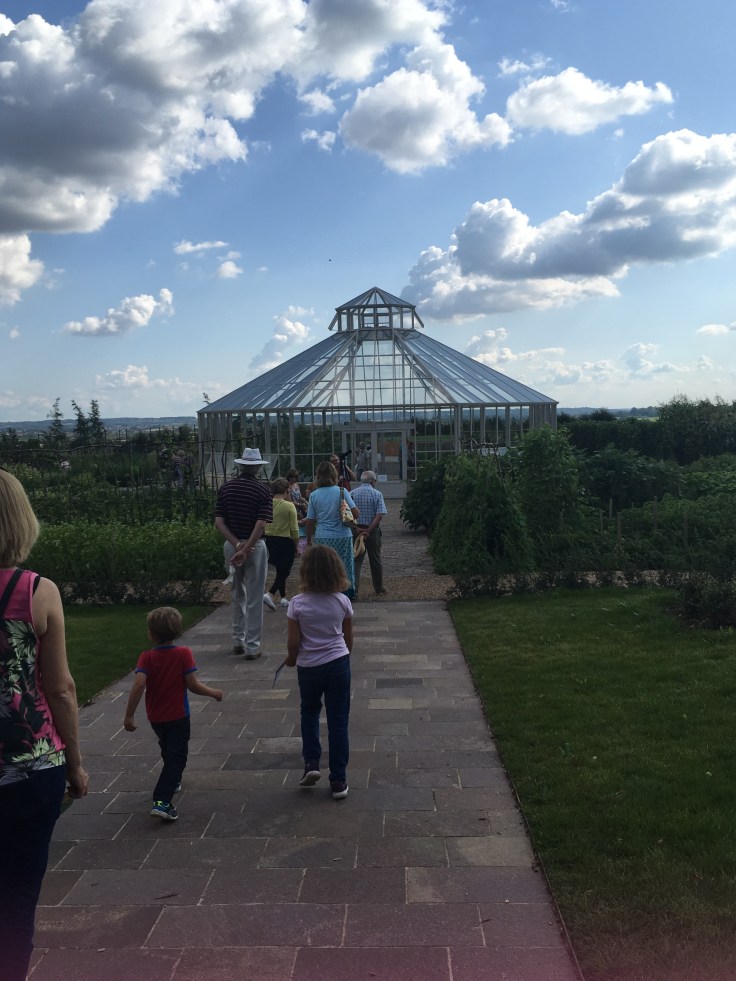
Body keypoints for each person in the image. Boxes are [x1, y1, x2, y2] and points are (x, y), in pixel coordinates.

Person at [0, 470, 89, 981]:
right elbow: (60, 690)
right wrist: (75, 764)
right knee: (16, 900)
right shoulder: (35, 591)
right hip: (30, 763)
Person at [123, 607, 223, 821]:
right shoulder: (183, 653)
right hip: (178, 716)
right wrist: (213, 692)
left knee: (168, 749)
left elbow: (139, 684)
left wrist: (129, 715)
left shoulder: (146, 657)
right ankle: (162, 801)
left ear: (151, 634)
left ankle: (173, 779)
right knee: (178, 757)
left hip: (156, 717)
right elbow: (192, 685)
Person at [285, 544, 353, 800]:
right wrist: (342, 656)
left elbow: (294, 642)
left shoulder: (297, 604)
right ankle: (339, 780)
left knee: (310, 711)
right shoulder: (342, 601)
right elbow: (348, 639)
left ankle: (312, 762)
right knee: (338, 720)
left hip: (309, 665)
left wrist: (291, 659)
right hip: (338, 662)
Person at [214, 447, 273, 658]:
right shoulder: (263, 491)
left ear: (240, 466)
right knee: (255, 596)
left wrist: (237, 545)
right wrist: (247, 547)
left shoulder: (226, 489)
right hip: (254, 547)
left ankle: (237, 639)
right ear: (257, 467)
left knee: (237, 592)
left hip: (232, 545)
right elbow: (260, 525)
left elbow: (219, 522)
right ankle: (252, 645)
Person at [305, 460, 359, 598]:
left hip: (323, 536)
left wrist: (308, 540)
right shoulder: (342, 491)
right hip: (343, 535)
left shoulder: (314, 495)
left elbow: (310, 521)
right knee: (345, 564)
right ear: (334, 474)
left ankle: (326, 591)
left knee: (324, 565)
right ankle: (347, 592)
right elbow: (356, 513)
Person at [264, 477, 300, 610]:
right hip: (285, 541)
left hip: (269, 539)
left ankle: (284, 598)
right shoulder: (289, 505)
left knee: (280, 568)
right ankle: (270, 593)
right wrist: (297, 546)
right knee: (285, 570)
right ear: (286, 491)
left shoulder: (267, 503)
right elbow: (294, 529)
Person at [351, 470, 388, 598]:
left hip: (357, 531)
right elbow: (379, 515)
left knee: (356, 560)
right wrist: (369, 530)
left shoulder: (352, 493)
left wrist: (356, 528)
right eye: (375, 480)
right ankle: (379, 588)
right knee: (375, 560)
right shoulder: (377, 494)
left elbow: (347, 514)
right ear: (372, 481)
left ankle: (354, 589)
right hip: (372, 532)